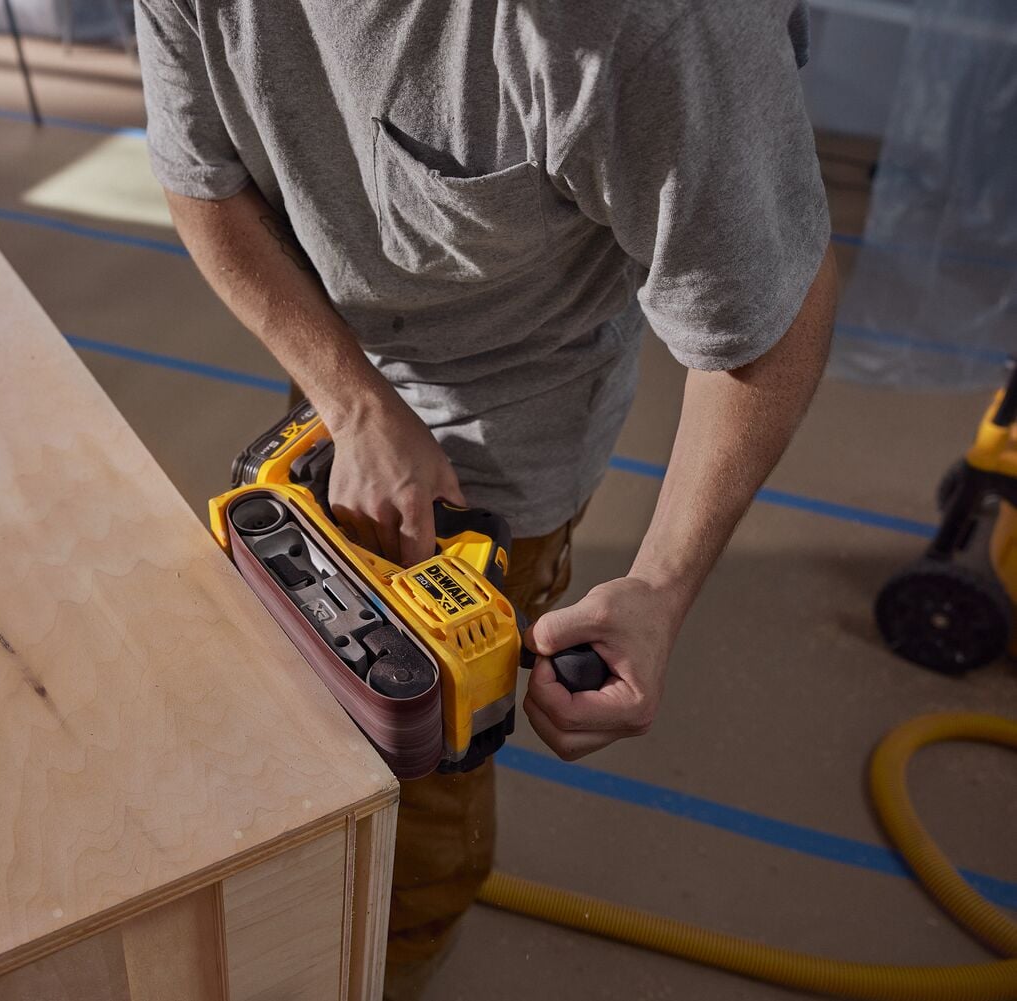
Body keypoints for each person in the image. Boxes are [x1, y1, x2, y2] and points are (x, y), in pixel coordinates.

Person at [136, 2, 838, 996]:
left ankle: (396, 949)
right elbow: (202, 183)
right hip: (334, 362)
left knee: (422, 761)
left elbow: (772, 312)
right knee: (304, 688)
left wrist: (661, 584)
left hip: (506, 436)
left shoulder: (643, 28)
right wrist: (355, 399)